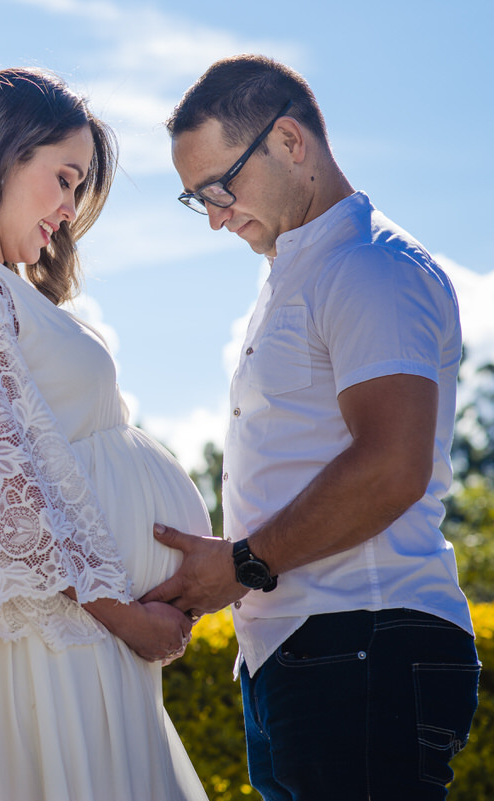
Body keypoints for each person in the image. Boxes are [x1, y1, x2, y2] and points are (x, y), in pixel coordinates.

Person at [147, 54, 480, 799]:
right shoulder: (302, 272)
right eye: (194, 197)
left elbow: (394, 465)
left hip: (363, 642)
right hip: (307, 650)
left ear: (290, 142)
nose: (215, 214)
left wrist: (239, 563)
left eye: (220, 185)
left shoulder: (369, 268)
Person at [0, 67, 210, 801]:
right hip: (37, 625)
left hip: (63, 620)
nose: (68, 208)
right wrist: (128, 617)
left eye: (79, 188)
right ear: (2, 154)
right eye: (63, 179)